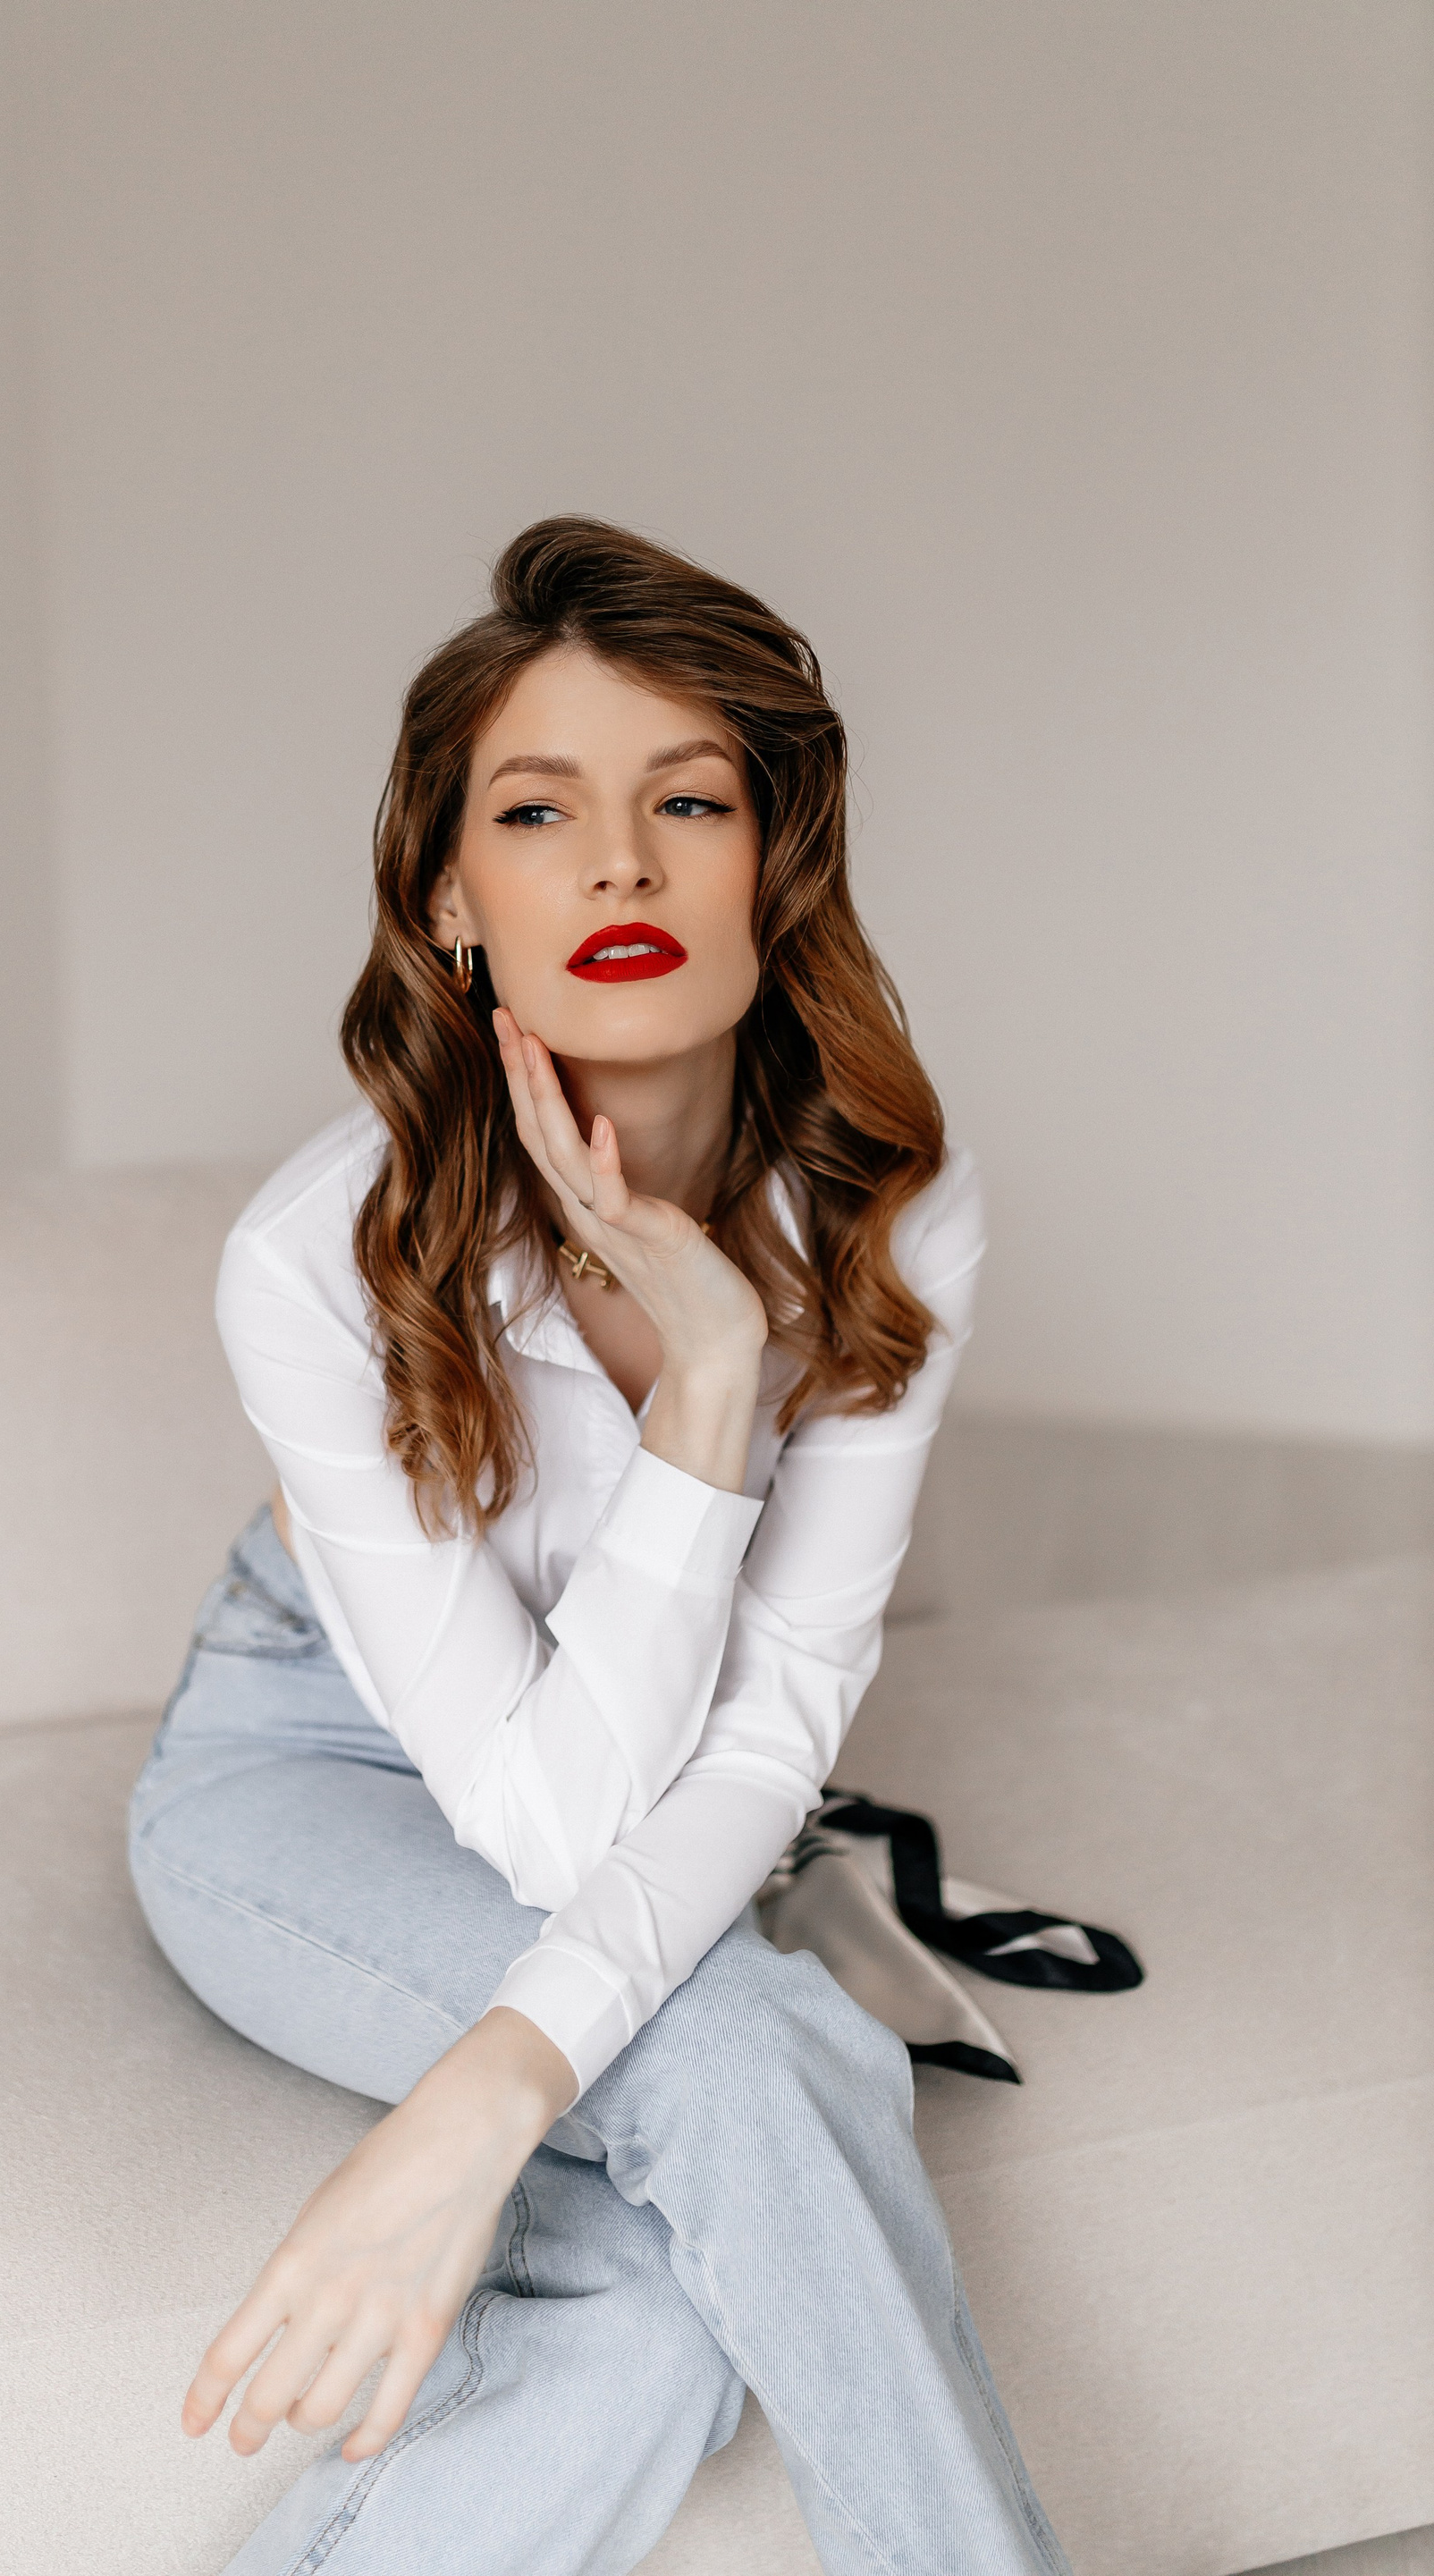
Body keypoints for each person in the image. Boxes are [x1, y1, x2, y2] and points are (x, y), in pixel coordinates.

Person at [127, 517, 1070, 2576]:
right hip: (312, 1762)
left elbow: (777, 1715)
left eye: (690, 802)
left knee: (647, 2312)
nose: (621, 865)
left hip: (667, 1755)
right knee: (751, 2042)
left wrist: (722, 1343)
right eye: (540, 811)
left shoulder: (898, 1209)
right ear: (452, 900)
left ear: (776, 863)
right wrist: (710, 1404)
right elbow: (552, 1820)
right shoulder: (315, 1258)